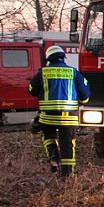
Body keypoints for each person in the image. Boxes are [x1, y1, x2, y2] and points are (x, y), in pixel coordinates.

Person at [28, 45, 91, 178]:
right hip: (68, 118)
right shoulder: (74, 73)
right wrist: (81, 102)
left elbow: (31, 90)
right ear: (63, 57)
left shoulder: (42, 73)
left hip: (47, 117)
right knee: (67, 145)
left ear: (48, 59)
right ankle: (67, 176)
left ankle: (54, 157)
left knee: (48, 135)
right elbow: (85, 95)